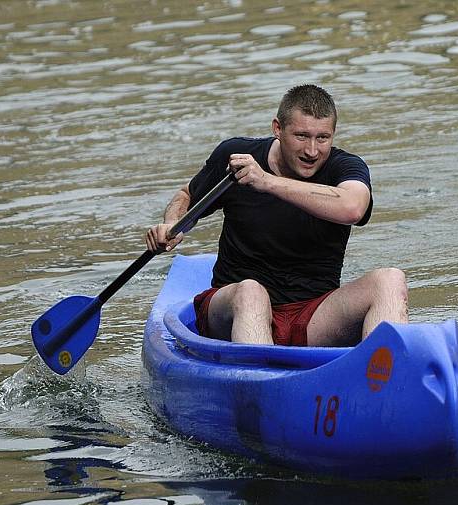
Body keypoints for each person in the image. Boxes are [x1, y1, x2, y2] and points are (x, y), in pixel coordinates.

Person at [146, 84, 407, 347]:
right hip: (233, 307)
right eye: (301, 136)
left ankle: (388, 378)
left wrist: (266, 181)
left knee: (390, 279)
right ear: (277, 129)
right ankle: (259, 381)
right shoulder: (236, 157)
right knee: (252, 292)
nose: (312, 151)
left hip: (312, 315)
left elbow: (353, 208)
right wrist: (172, 225)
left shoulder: (346, 167)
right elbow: (187, 196)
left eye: (323, 138)